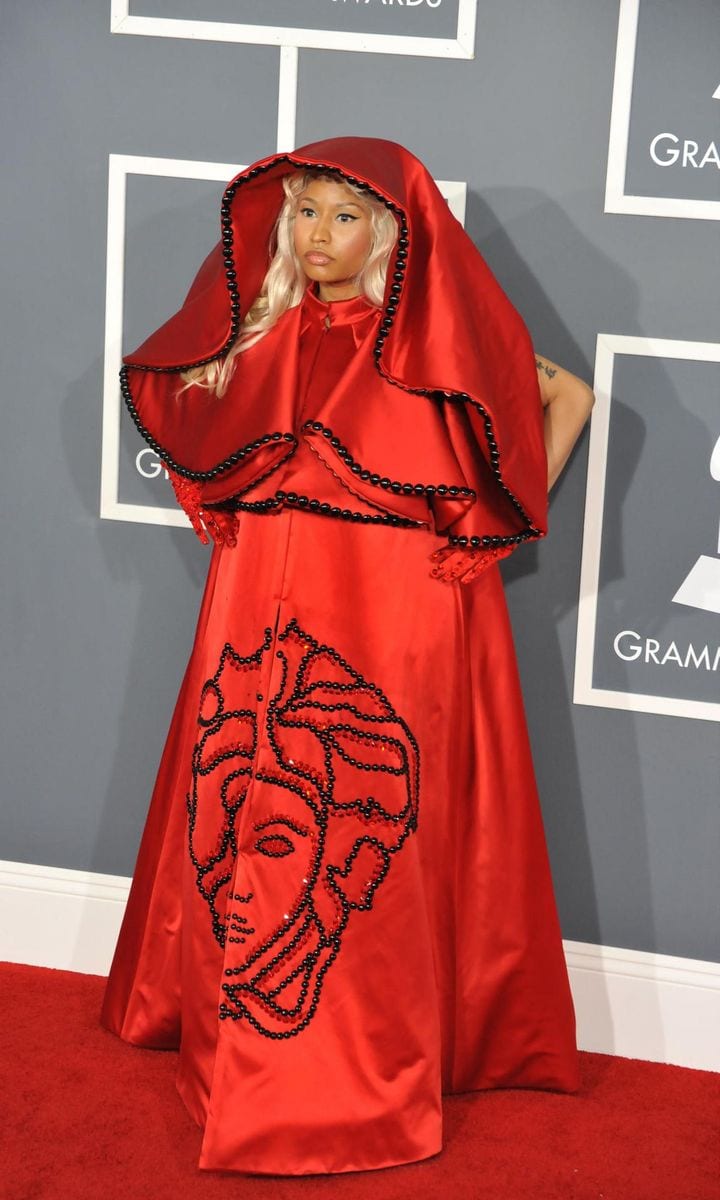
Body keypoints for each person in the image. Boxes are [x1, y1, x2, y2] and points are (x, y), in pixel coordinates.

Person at [101, 136, 595, 1176]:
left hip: (391, 598)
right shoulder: (263, 331)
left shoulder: (435, 333)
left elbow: (570, 398)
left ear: (391, 232)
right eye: (306, 214)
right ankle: (228, 1027)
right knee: (241, 799)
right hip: (260, 597)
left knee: (352, 824)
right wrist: (224, 509)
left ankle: (358, 1063)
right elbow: (191, 405)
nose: (320, 235)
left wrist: (487, 535)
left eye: (344, 216)